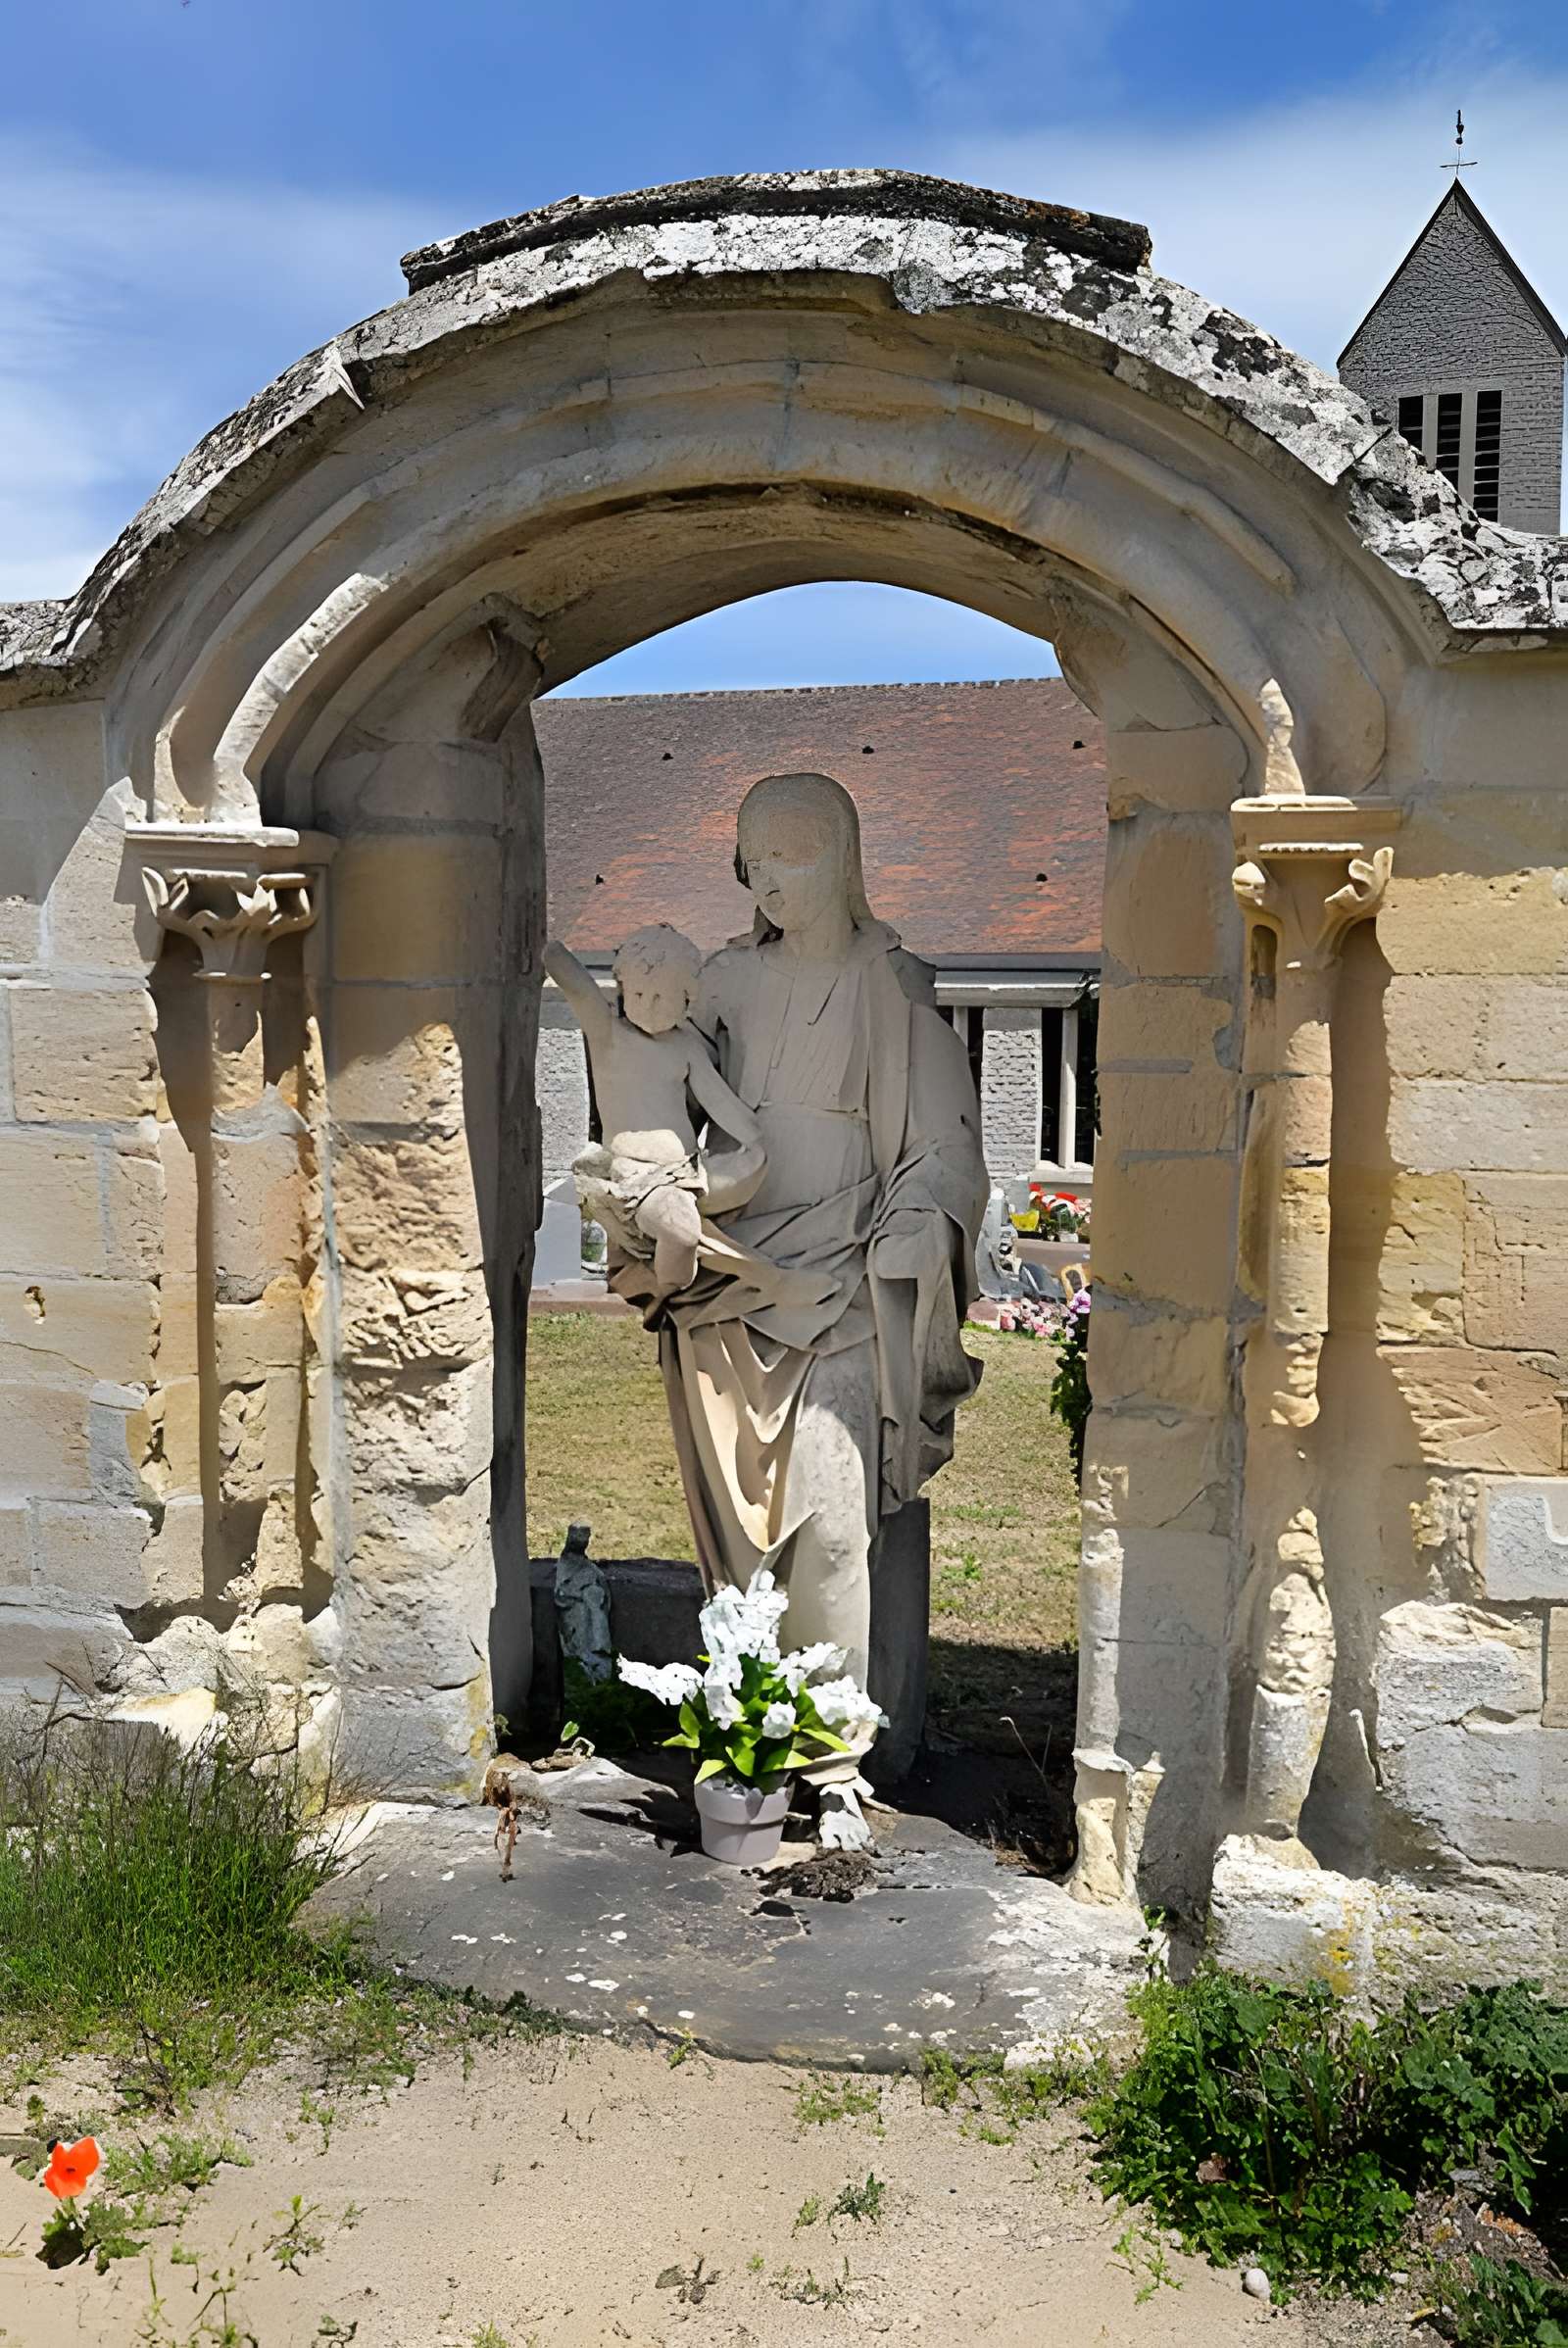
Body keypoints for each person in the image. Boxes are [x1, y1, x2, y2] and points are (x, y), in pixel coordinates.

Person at [610, 773, 988, 1847]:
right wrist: (645, 1195)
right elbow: (652, 1090)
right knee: (741, 1544)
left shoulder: (890, 984)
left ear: (842, 858)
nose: (769, 878)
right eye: (754, 857)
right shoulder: (719, 984)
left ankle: (832, 1764)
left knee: (827, 1531)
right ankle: (746, 1736)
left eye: (793, 854)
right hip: (729, 1284)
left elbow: (947, 1146)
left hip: (848, 1281)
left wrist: (921, 1216)